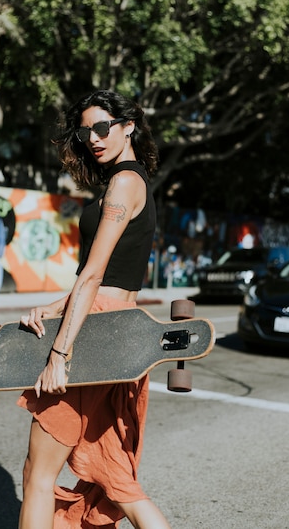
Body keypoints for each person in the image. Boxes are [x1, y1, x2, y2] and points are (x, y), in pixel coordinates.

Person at [17, 90, 172, 529]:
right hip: (116, 327)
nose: (93, 138)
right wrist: (53, 306)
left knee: (38, 475)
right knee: (117, 480)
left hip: (95, 333)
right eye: (86, 132)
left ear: (128, 126)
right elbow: (114, 280)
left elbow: (94, 274)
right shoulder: (129, 181)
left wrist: (59, 353)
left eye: (102, 127)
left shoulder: (125, 183)